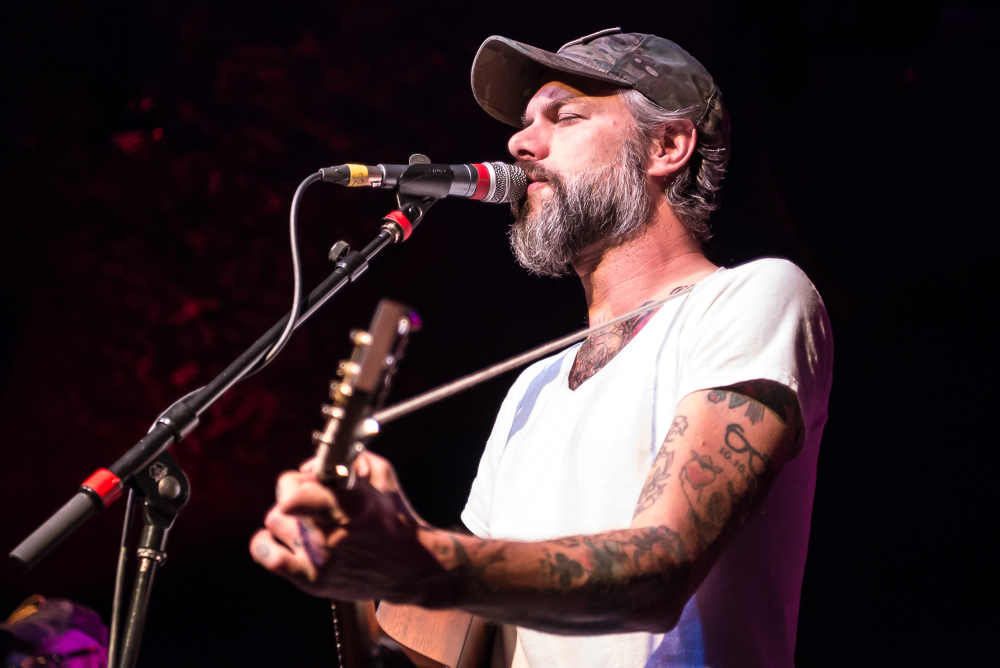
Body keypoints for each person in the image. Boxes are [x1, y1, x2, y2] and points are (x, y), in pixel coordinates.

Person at [250, 28, 833, 668]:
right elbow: (454, 646)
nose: (519, 144)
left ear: (666, 145)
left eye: (565, 116)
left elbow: (660, 571)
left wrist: (419, 559)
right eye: (527, 123)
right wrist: (356, 560)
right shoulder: (535, 389)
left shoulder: (753, 298)